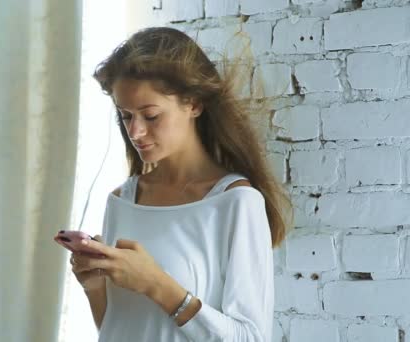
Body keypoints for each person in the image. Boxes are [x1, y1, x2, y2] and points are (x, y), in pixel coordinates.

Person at [67, 26, 293, 342]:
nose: (135, 132)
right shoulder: (122, 200)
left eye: (151, 115)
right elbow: (118, 328)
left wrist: (156, 284)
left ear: (194, 104)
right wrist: (93, 286)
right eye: (126, 116)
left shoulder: (237, 203)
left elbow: (251, 337)